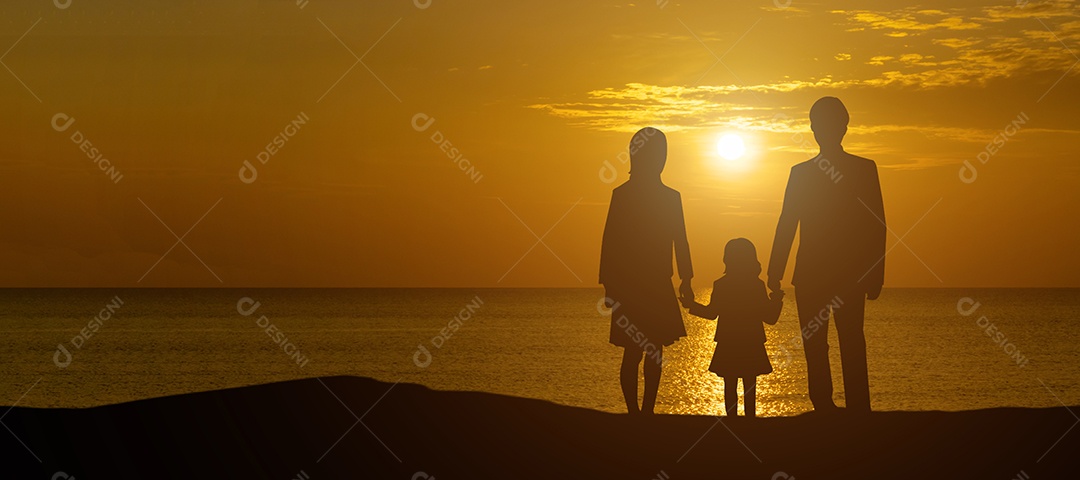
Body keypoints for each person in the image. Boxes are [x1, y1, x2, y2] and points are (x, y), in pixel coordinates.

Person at [767, 97, 886, 414]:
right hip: (816, 273)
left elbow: (877, 224)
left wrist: (876, 274)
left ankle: (854, 405)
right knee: (819, 340)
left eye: (829, 124)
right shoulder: (802, 173)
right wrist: (774, 270)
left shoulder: (863, 169)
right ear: (813, 129)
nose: (826, 130)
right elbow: (788, 221)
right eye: (821, 124)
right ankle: (825, 403)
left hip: (844, 273)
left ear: (843, 127)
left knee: (847, 339)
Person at [599, 127, 694, 415]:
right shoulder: (623, 194)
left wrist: (687, 277)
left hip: (655, 282)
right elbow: (611, 241)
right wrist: (609, 287)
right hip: (631, 285)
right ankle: (634, 411)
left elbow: (680, 237)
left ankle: (647, 410)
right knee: (635, 352)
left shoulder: (670, 197)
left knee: (652, 350)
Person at [682, 238, 782, 417]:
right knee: (750, 383)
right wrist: (777, 301)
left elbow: (712, 313)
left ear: (727, 259)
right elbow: (770, 318)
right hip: (751, 340)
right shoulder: (756, 285)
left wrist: (691, 305)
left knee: (730, 384)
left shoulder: (722, 284)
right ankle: (750, 420)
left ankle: (732, 421)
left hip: (728, 341)